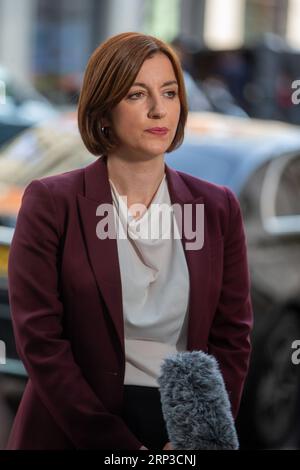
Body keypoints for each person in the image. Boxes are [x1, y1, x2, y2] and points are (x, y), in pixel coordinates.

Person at [6, 32, 253, 450]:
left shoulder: (218, 207)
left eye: (170, 92)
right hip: (73, 430)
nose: (160, 109)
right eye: (138, 94)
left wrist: (199, 435)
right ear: (104, 110)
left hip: (180, 433)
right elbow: (41, 342)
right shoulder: (51, 202)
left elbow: (232, 339)